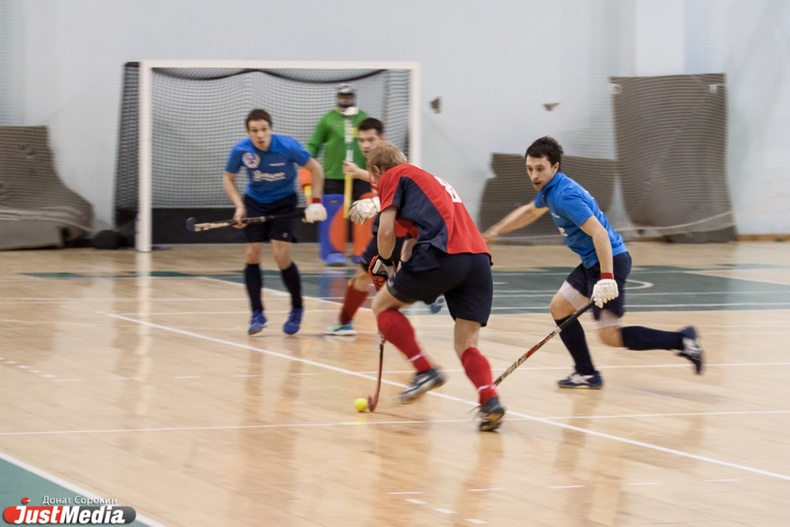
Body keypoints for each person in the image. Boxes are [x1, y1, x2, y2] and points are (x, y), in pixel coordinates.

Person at [482, 136, 704, 389]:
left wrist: (607, 278)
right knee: (559, 308)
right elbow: (531, 211)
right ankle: (586, 372)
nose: (534, 175)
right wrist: (495, 231)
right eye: (529, 169)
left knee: (610, 336)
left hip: (609, 261)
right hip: (592, 263)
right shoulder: (550, 190)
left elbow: (599, 233)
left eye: (540, 168)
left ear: (555, 167)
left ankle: (682, 340)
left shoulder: (564, 195)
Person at [366, 141, 506, 432]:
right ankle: (489, 400)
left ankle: (424, 369)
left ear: (378, 170)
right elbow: (413, 239)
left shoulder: (392, 175)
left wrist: (383, 262)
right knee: (466, 344)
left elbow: (387, 230)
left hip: (443, 255)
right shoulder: (429, 180)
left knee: (381, 306)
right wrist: (399, 265)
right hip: (478, 260)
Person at [324, 118, 444, 336]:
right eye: (361, 141)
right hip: (397, 228)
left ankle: (348, 322)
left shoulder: (395, 165)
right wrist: (357, 172)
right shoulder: (380, 164)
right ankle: (431, 292)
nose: (365, 145)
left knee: (370, 277)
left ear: (382, 138)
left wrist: (373, 204)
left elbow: (400, 195)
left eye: (371, 140)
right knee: (372, 276)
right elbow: (376, 180)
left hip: (400, 231)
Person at [223, 109, 326, 336]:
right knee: (252, 254)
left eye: (264, 129)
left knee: (281, 257)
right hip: (255, 202)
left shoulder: (287, 146)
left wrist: (316, 202)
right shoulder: (241, 150)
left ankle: (297, 307)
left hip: (284, 203)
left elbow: (316, 169)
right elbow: (228, 178)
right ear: (248, 133)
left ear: (271, 129)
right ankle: (257, 313)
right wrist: (239, 206)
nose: (260, 135)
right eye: (254, 131)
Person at [307, 83, 371, 266]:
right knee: (334, 210)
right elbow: (314, 144)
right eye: (343, 97)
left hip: (360, 174)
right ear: (337, 98)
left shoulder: (364, 118)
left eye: (349, 97)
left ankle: (363, 251)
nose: (346, 100)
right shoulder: (328, 119)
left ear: (354, 97)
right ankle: (334, 251)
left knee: (365, 208)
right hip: (334, 175)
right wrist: (305, 163)